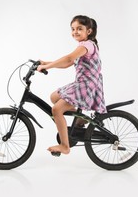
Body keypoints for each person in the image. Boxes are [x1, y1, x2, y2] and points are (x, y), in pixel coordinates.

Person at [38, 15, 106, 155]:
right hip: (83, 84)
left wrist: (49, 66)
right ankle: (79, 118)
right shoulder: (84, 46)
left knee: (56, 110)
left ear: (89, 31)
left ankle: (64, 146)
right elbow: (69, 63)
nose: (75, 32)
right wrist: (46, 63)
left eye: (79, 29)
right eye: (73, 29)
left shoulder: (86, 45)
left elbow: (69, 58)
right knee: (54, 96)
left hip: (86, 86)